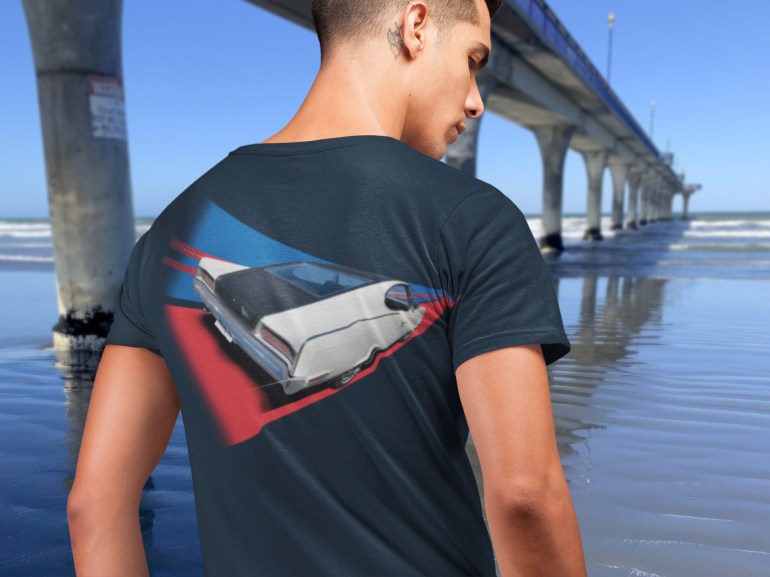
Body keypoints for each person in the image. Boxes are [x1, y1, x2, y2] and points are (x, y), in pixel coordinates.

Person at [67, 0, 588, 575]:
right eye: (473, 60)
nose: (475, 100)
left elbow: (95, 504)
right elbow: (523, 498)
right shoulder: (473, 220)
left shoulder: (174, 230)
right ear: (416, 27)